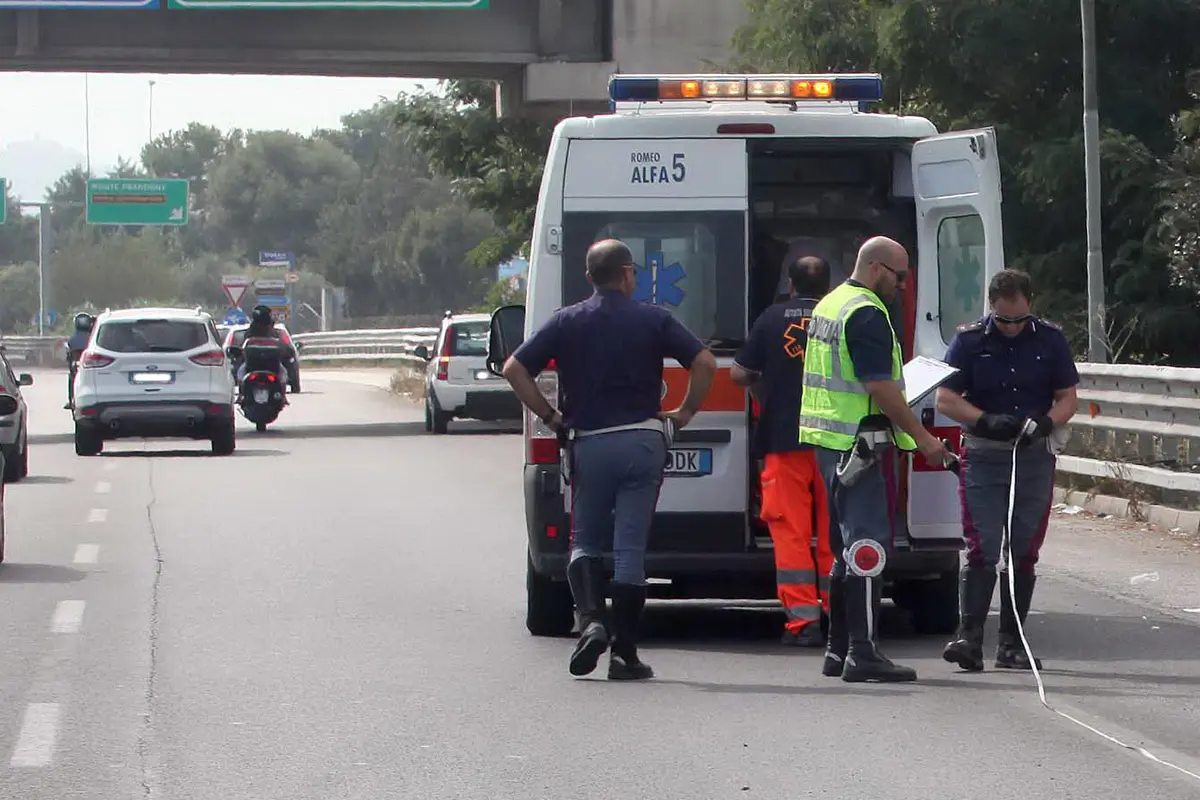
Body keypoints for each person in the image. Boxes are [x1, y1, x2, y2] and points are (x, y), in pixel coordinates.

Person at [501, 238, 718, 681]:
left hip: (590, 442)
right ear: (627, 274)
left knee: (583, 539)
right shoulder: (654, 319)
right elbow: (706, 362)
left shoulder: (566, 321)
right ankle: (625, 655)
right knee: (629, 547)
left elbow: (514, 369)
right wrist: (686, 411)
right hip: (642, 442)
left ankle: (592, 620)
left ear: (588, 277)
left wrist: (551, 417)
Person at [798, 236, 953, 683]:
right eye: (899, 276)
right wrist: (921, 436)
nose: (903, 286)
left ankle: (838, 648)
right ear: (876, 268)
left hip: (830, 442)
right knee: (867, 547)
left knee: (847, 547)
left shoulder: (831, 304)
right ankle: (863, 653)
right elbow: (880, 387)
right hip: (860, 443)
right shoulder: (866, 312)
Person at [938, 269, 1079, 673]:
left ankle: (1012, 643)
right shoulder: (968, 341)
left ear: (1030, 304)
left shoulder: (1050, 340)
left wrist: (1048, 421)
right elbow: (946, 399)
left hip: (1033, 455)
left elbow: (1068, 397)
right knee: (981, 546)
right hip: (984, 455)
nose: (1012, 328)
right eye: (1003, 320)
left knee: (1022, 549)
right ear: (991, 308)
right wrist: (983, 420)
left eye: (1018, 320)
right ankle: (969, 638)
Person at [731, 256, 834, 648]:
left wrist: (765, 395)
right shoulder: (839, 316)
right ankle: (837, 613)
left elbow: (739, 372)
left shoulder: (772, 319)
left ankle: (803, 622)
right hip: (833, 440)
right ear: (827, 284)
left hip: (783, 439)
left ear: (791, 284)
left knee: (790, 532)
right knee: (834, 530)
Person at [234, 305, 289, 395]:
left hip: (267, 364)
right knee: (283, 373)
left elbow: (281, 345)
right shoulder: (271, 331)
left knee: (241, 371)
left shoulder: (253, 331)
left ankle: (242, 394)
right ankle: (242, 393)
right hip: (261, 364)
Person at [64, 312, 94, 410]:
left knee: (71, 377)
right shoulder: (93, 337)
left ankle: (71, 400)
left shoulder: (73, 339)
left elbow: (69, 351)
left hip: (79, 365)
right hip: (88, 365)